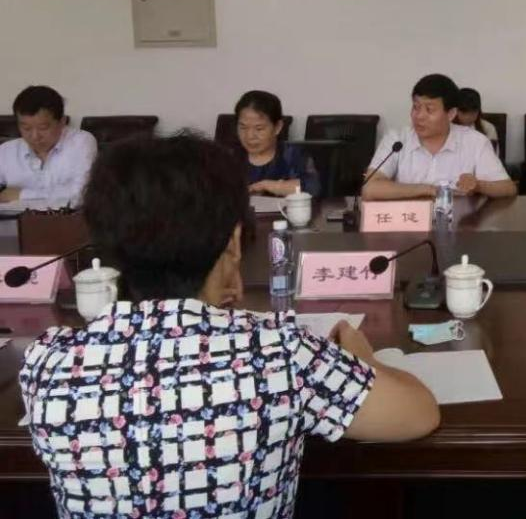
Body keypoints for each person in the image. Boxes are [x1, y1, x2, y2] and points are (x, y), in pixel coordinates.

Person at [20, 135, 439, 519]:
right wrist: (363, 359)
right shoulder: (279, 352)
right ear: (234, 242)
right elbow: (418, 414)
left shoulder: (48, 361)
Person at [363, 74, 516, 200]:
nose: (419, 116)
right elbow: (370, 189)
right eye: (416, 107)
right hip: (408, 224)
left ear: (451, 114)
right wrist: (429, 189)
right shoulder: (397, 139)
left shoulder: (475, 141)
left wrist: (478, 185)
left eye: (429, 109)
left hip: (460, 225)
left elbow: (507, 188)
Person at [0, 85, 97, 206]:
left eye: (43, 128)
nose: (34, 136)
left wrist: (22, 194)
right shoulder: (6, 151)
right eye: (26, 128)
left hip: (66, 217)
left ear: (62, 121)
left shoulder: (81, 142)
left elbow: (81, 194)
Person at [235, 90, 320, 197]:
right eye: (243, 127)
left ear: (277, 127)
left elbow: (312, 188)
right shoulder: (227, 157)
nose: (250, 136)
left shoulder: (292, 155)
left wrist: (268, 186)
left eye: (259, 129)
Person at [456, 87, 500, 155]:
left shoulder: (488, 128)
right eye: (464, 113)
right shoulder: (447, 127)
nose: (468, 117)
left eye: (473, 113)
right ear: (455, 110)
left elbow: (492, 156)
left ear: (479, 111)